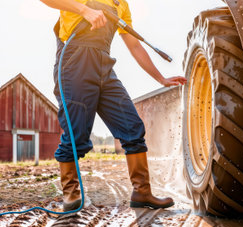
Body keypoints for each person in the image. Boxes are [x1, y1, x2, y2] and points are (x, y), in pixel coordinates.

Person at [40, 0, 187, 212]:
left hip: (104, 67)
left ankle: (142, 192)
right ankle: (71, 194)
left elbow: (134, 45)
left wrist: (161, 79)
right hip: (75, 63)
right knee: (76, 134)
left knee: (132, 128)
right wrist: (85, 10)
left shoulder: (121, 5)